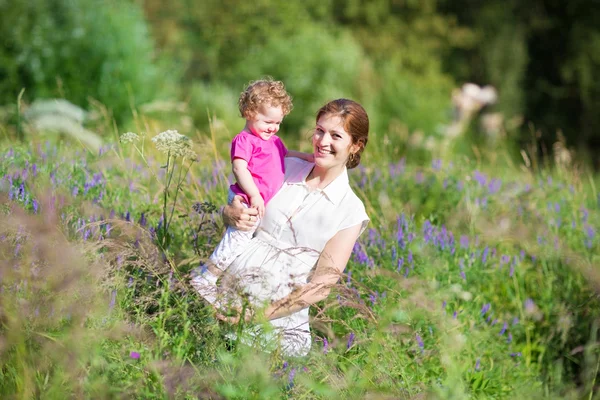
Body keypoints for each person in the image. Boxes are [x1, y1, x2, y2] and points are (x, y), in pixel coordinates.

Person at [209, 98, 370, 357]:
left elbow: (321, 286)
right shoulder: (284, 167)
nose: (322, 141)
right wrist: (229, 214)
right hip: (223, 308)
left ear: (356, 145)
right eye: (319, 130)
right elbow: (236, 210)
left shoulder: (349, 210)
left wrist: (256, 316)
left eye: (336, 135)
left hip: (274, 334)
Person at [191, 78, 312, 304]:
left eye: (278, 123)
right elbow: (239, 167)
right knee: (236, 240)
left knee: (244, 246)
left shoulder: (274, 141)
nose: (273, 128)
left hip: (254, 201)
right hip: (246, 199)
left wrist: (306, 157)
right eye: (268, 121)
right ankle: (205, 277)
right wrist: (255, 194)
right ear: (249, 112)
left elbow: (286, 154)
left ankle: (226, 281)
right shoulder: (245, 140)